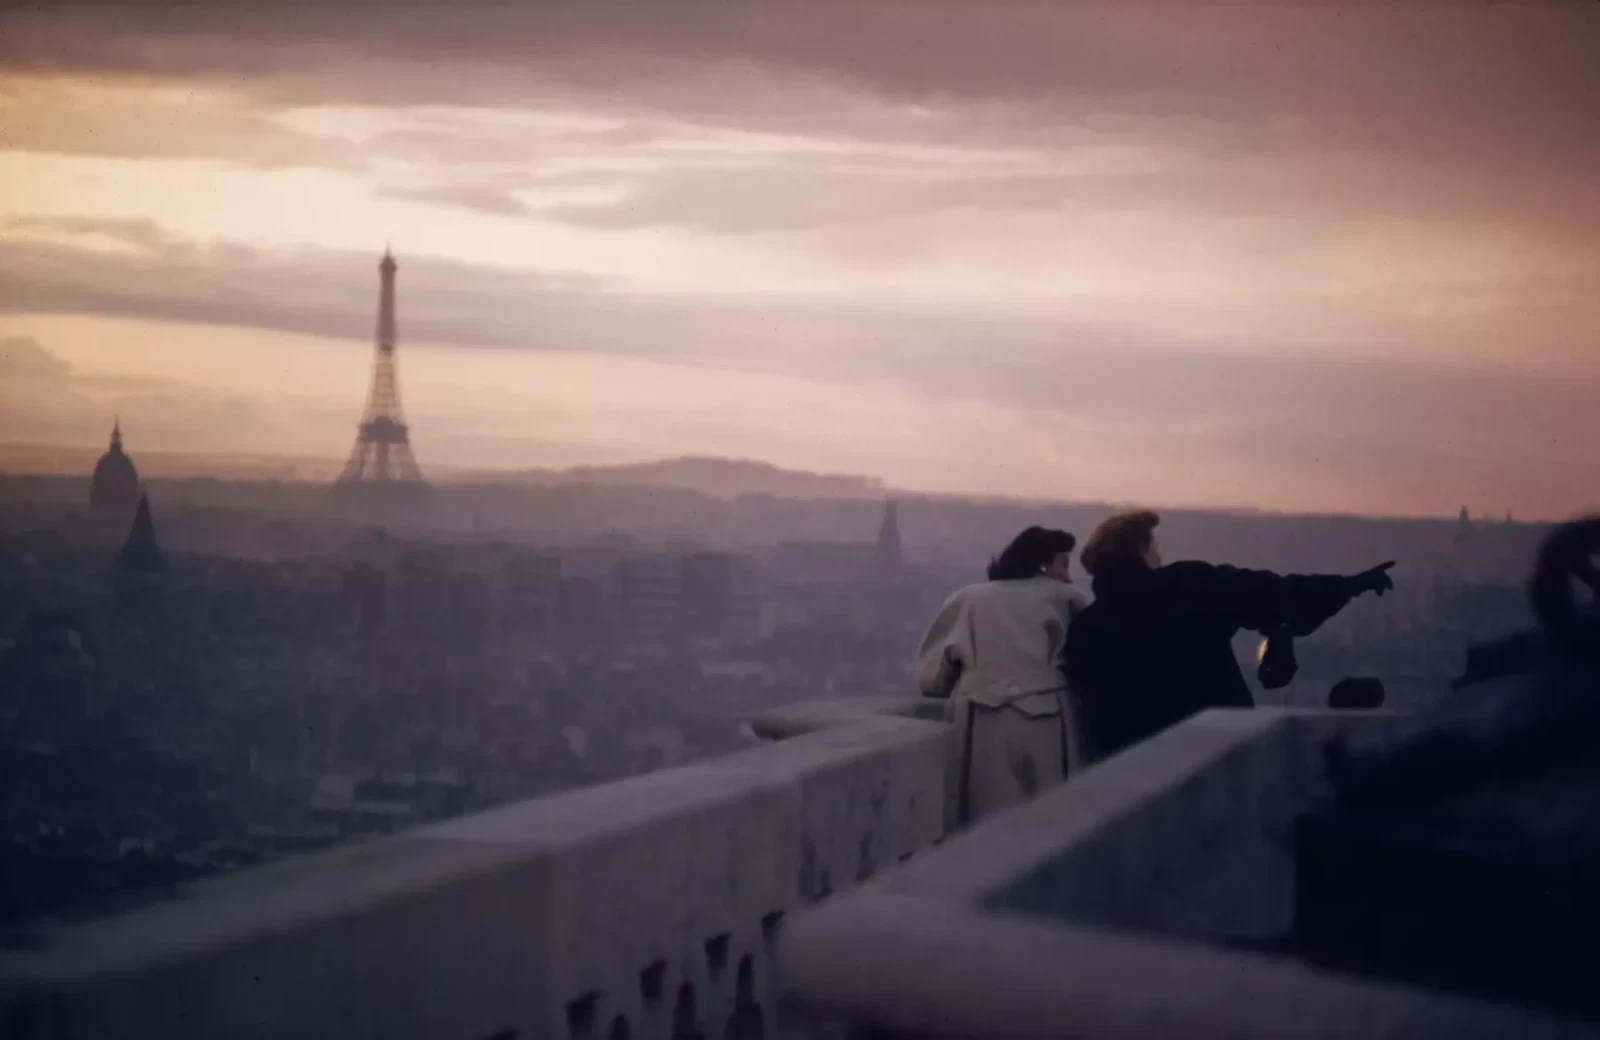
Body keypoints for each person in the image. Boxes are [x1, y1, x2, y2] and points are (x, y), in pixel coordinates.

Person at [1064, 510, 1394, 761]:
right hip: (1211, 748)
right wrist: (1347, 586)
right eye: (1155, 547)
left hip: (1134, 767)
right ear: (1140, 550)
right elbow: (1274, 593)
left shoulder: (1085, 628)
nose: (1160, 556)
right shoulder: (1188, 584)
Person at [915, 526, 1091, 827]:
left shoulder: (967, 598)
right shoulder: (1069, 599)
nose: (1068, 575)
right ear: (1043, 564)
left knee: (981, 821)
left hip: (979, 717)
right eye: (1064, 563)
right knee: (1052, 822)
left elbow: (932, 677)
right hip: (1049, 717)